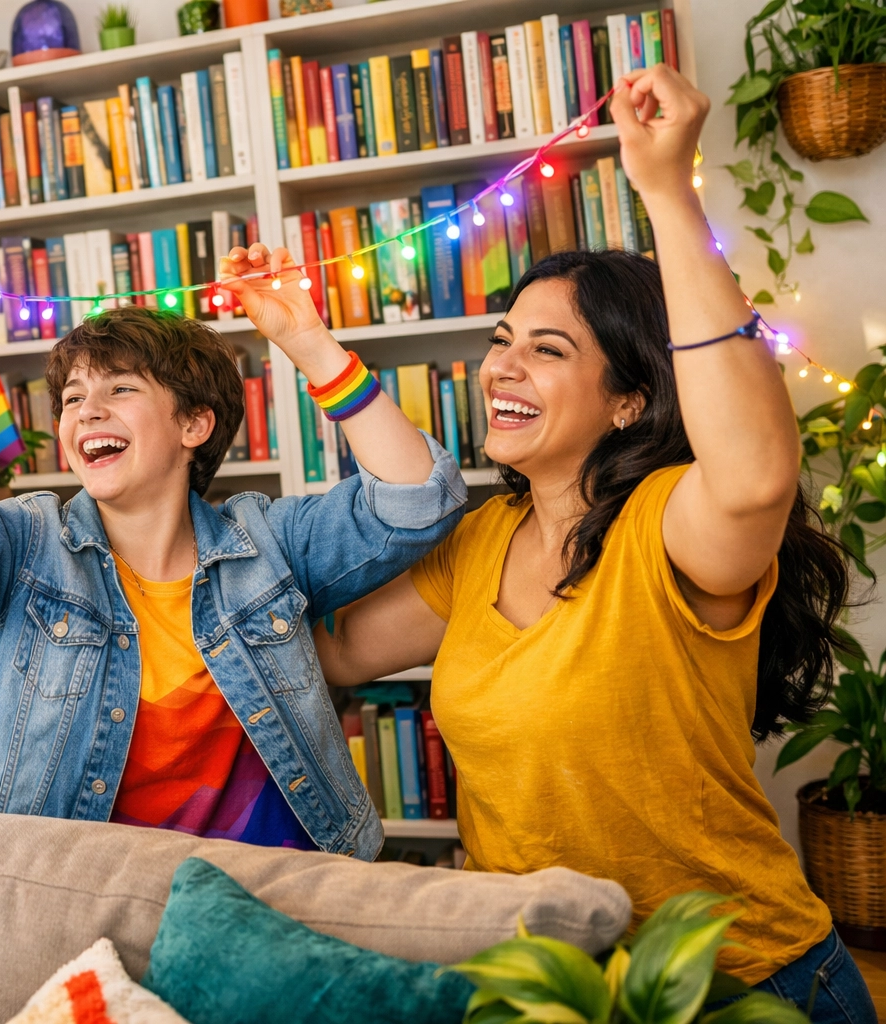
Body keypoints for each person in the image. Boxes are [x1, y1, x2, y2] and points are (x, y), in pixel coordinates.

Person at [315, 66, 874, 1023]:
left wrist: (665, 189)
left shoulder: (666, 523)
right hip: (550, 989)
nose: (502, 367)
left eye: (549, 350)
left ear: (629, 401)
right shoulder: (479, 541)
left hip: (738, 985)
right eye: (502, 340)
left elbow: (754, 478)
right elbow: (327, 654)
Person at [0, 245, 466, 857]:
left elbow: (418, 500)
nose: (87, 411)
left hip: (282, 877)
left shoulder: (268, 541)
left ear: (193, 425)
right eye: (73, 398)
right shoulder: (29, 546)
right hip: (85, 886)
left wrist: (308, 342)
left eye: (120, 388)